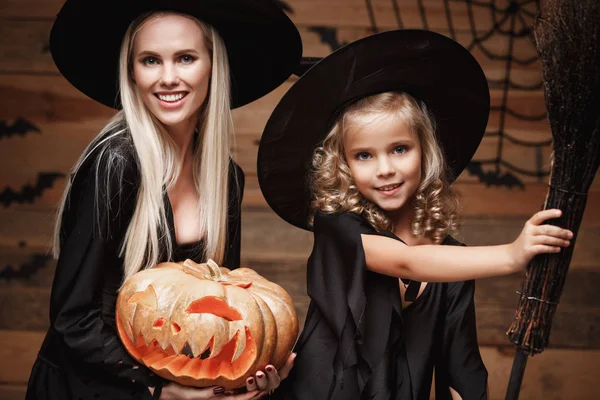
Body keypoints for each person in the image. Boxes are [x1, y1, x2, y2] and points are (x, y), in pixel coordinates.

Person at [256, 30, 572, 399]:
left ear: (425, 151)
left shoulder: (453, 264)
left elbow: (461, 368)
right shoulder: (337, 226)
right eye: (364, 155)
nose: (385, 169)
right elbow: (406, 262)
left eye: (400, 149)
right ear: (341, 165)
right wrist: (511, 255)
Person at [26, 0, 302, 399]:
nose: (168, 78)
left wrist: (242, 376)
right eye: (150, 60)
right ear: (132, 73)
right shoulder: (115, 165)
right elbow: (72, 319)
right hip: (90, 387)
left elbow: (219, 311)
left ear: (213, 66)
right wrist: (158, 389)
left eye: (186, 58)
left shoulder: (226, 179)